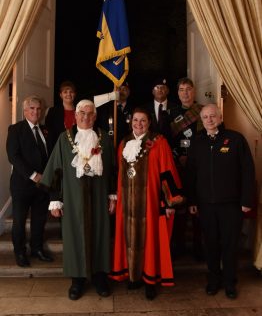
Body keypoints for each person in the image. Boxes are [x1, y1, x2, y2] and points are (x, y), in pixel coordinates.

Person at [41, 99, 116, 300]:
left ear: (95, 116)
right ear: (75, 115)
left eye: (90, 113)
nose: (85, 117)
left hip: (99, 199)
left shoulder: (105, 140)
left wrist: (112, 196)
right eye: (82, 113)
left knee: (100, 234)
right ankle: (77, 280)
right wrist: (55, 200)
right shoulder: (64, 139)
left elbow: (112, 171)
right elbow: (55, 171)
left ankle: (100, 277)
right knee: (75, 237)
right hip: (73, 200)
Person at [111, 107, 184, 300]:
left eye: (143, 120)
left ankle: (150, 280)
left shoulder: (159, 142)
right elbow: (119, 175)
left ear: (149, 122)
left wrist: (169, 203)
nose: (139, 124)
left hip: (151, 203)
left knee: (150, 241)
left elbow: (168, 172)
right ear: (130, 122)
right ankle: (134, 276)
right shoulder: (123, 143)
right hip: (126, 204)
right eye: (135, 120)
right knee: (128, 240)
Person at [185, 104, 256, 299]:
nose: (209, 120)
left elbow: (248, 172)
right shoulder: (197, 142)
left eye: (213, 116)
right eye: (205, 117)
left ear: (220, 116)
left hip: (231, 205)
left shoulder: (236, 139)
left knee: (230, 245)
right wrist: (192, 200)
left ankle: (230, 282)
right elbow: (191, 175)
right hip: (205, 205)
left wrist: (246, 199)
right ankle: (214, 280)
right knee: (211, 245)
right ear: (202, 120)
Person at [6, 95, 53, 267]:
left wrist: (48, 177)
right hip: (22, 185)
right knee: (19, 220)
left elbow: (50, 156)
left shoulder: (45, 130)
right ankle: (19, 252)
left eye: (39, 109)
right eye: (32, 108)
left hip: (42, 186)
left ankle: (37, 249)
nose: (36, 111)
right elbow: (13, 157)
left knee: (39, 219)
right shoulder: (16, 129)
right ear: (25, 111)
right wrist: (33, 175)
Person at [170, 77, 204, 260]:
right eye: (182, 90)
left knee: (199, 207)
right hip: (179, 167)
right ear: (177, 93)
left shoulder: (203, 111)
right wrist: (178, 157)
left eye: (188, 89)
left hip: (200, 167)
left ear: (194, 91)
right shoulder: (171, 113)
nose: (185, 93)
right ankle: (179, 246)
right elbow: (167, 141)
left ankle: (199, 246)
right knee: (180, 207)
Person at [45, 80, 119, 150]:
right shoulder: (53, 111)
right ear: (61, 95)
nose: (68, 94)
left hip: (82, 147)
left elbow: (92, 101)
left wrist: (110, 96)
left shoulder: (82, 108)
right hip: (61, 147)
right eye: (65, 92)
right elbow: (50, 134)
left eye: (71, 92)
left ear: (75, 94)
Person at [96, 81, 133, 147]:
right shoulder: (104, 108)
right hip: (107, 144)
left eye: (124, 89)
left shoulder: (133, 109)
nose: (121, 92)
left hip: (127, 145)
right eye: (118, 89)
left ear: (129, 92)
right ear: (113, 91)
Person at [143, 77, 176, 149]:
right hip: (150, 147)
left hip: (171, 148)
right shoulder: (145, 109)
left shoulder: (175, 108)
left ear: (167, 91)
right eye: (157, 87)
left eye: (163, 87)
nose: (160, 90)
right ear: (152, 91)